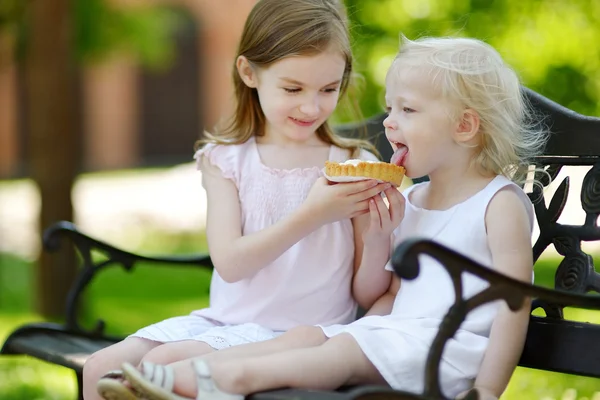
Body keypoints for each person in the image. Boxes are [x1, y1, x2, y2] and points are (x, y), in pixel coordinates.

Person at [113, 35, 548, 400]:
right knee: (306, 338)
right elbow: (387, 295)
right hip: (394, 338)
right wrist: (378, 240)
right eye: (390, 109)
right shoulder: (413, 199)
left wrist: (488, 390)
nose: (390, 124)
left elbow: (516, 301)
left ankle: (221, 382)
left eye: (407, 111)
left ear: (465, 126)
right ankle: (186, 374)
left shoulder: (498, 203)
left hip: (443, 349)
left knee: (333, 355)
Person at [85, 1, 396, 399]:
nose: (311, 106)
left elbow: (367, 295)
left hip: (298, 335)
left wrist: (377, 240)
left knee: (159, 368)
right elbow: (230, 263)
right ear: (249, 72)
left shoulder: (355, 166)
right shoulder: (226, 160)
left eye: (328, 89)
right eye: (292, 88)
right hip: (222, 323)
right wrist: (314, 214)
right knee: (98, 368)